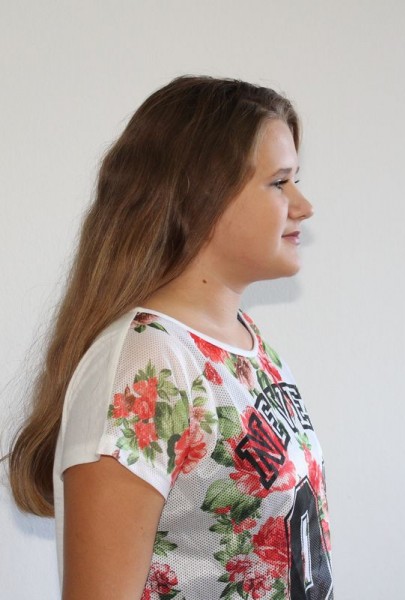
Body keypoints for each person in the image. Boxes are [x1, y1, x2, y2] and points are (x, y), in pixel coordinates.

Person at [6, 75, 333, 599]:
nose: (303, 205)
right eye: (279, 183)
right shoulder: (145, 364)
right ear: (205, 195)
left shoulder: (249, 346)